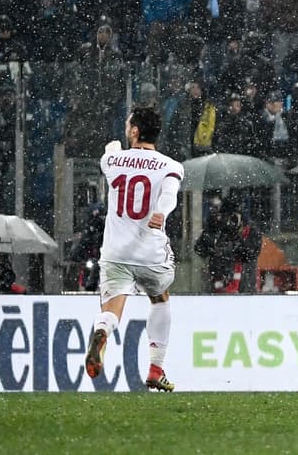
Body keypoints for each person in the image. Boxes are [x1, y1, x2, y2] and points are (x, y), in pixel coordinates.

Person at [84, 107, 184, 392]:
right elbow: (169, 195)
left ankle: (102, 331)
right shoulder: (171, 165)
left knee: (112, 310)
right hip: (150, 253)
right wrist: (161, 213)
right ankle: (156, 368)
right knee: (160, 298)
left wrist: (112, 150)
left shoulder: (112, 160)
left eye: (129, 125)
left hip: (116, 253)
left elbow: (109, 159)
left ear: (135, 131)